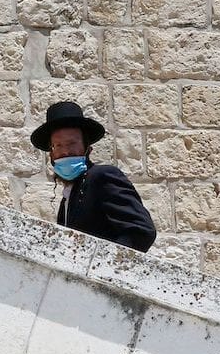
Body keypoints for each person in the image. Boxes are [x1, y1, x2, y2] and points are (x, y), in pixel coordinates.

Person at [29, 101, 156, 253]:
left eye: (71, 143)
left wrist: (103, 265)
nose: (65, 152)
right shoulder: (69, 196)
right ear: (51, 154)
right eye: (58, 146)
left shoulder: (102, 177)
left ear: (87, 147)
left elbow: (141, 231)